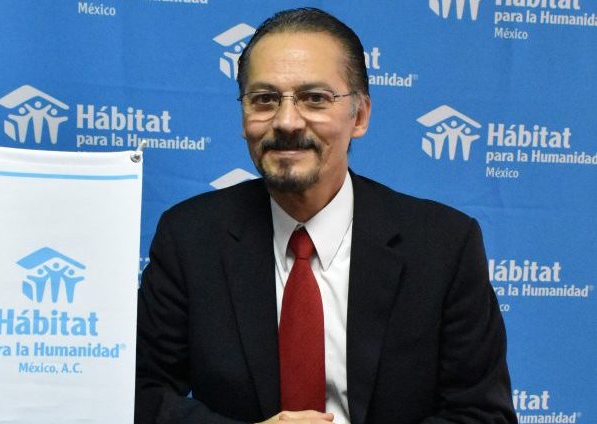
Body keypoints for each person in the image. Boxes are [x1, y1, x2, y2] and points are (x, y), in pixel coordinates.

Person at [135, 7, 516, 424]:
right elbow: (140, 393)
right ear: (243, 117)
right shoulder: (189, 239)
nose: (286, 121)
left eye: (314, 98)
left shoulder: (444, 246)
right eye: (264, 100)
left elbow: (482, 414)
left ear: (360, 116)